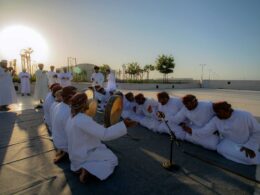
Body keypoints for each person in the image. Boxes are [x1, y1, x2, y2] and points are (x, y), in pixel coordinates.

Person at [65, 92, 135, 183]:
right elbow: (105, 135)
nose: (89, 102)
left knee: (104, 151)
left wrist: (105, 126)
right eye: (87, 101)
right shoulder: (82, 119)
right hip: (84, 155)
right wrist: (124, 125)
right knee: (113, 159)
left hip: (75, 156)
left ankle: (81, 167)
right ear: (83, 105)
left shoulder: (72, 118)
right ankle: (88, 170)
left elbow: (91, 129)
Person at [184, 102, 260, 165]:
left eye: (219, 113)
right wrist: (192, 131)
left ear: (227, 110)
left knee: (252, 159)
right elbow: (205, 131)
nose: (217, 115)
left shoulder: (244, 115)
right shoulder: (216, 119)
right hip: (229, 142)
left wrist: (250, 146)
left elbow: (257, 131)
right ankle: (240, 153)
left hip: (248, 142)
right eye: (215, 113)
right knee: (220, 148)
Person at [52, 86, 77, 163]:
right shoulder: (68, 111)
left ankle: (62, 151)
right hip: (64, 143)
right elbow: (73, 132)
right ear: (71, 97)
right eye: (75, 95)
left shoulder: (57, 105)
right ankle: (66, 152)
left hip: (56, 140)